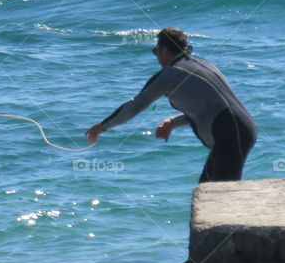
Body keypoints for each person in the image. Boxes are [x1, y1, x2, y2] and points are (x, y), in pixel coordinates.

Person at [85, 28, 256, 183]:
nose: (157, 57)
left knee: (221, 199)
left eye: (156, 51)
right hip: (239, 129)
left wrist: (102, 126)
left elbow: (134, 107)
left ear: (165, 51)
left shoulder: (171, 74)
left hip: (231, 134)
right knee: (205, 190)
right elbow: (208, 110)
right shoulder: (204, 65)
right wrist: (173, 122)